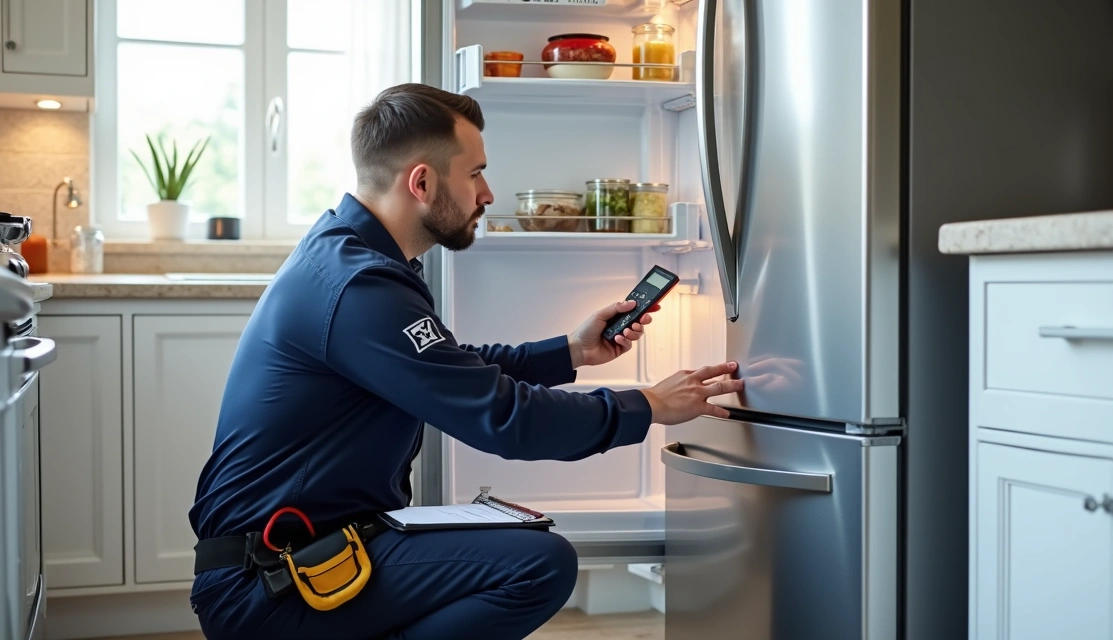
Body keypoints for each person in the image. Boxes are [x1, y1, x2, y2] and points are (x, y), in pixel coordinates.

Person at [187, 83, 743, 640]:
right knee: (537, 564)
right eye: (475, 173)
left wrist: (568, 352)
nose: (488, 193)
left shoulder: (353, 256)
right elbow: (504, 419)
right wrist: (645, 406)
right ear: (422, 182)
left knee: (520, 551)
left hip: (309, 551)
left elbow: (448, 365)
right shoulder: (360, 286)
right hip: (273, 577)